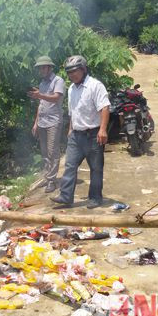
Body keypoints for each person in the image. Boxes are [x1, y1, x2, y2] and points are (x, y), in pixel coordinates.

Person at [50, 55, 110, 209]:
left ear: (83, 70)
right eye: (69, 73)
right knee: (70, 165)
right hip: (76, 135)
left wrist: (102, 129)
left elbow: (104, 107)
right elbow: (73, 111)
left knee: (96, 168)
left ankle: (95, 198)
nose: (71, 75)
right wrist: (70, 129)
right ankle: (65, 197)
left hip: (93, 134)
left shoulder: (95, 86)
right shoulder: (71, 89)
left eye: (74, 71)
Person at [27, 56, 65, 193]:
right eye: (39, 68)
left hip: (54, 121)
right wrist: (36, 123)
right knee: (44, 152)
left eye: (43, 67)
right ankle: (47, 176)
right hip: (42, 122)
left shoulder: (58, 81)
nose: (41, 70)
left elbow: (56, 98)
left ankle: (52, 180)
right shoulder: (42, 83)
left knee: (52, 151)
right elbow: (41, 104)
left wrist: (39, 95)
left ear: (50, 67)